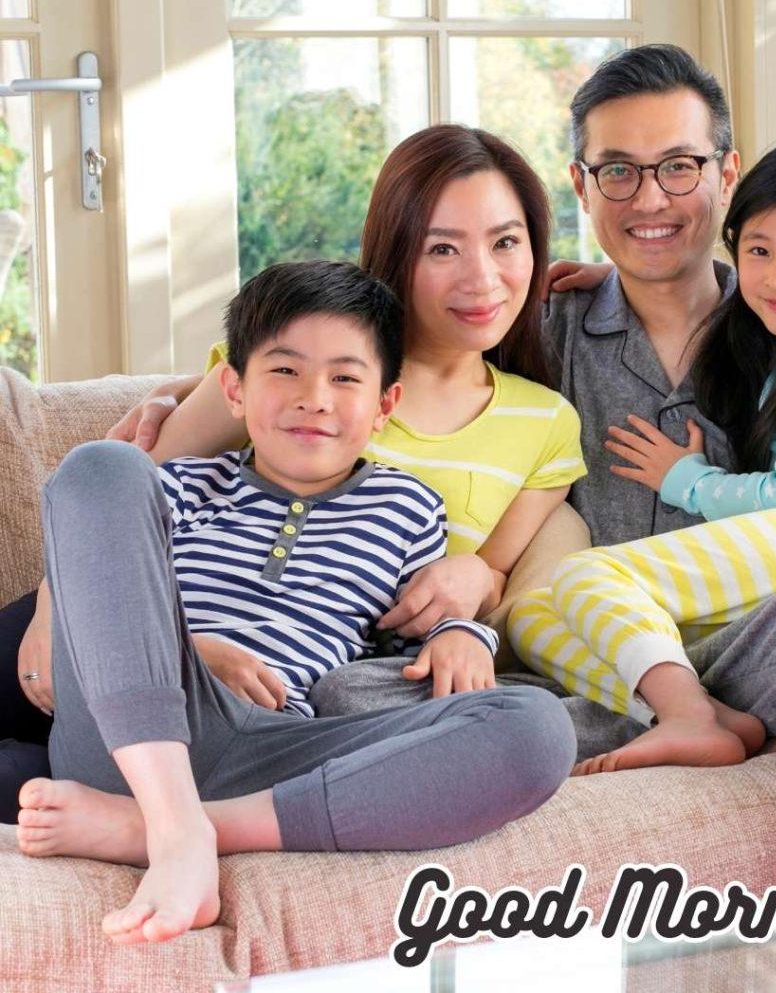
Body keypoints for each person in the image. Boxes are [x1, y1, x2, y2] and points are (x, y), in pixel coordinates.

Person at [40, 45, 776, 885]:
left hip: (738, 645)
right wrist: (163, 413)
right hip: (569, 667)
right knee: (381, 681)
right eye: (619, 171)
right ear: (583, 183)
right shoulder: (538, 321)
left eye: (679, 167)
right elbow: (290, 379)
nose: (650, 199)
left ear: (725, 173)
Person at [2, 125, 594, 816]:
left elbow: (496, 575)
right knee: (100, 476)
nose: (481, 278)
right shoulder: (307, 344)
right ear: (398, 252)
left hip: (286, 696)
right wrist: (59, 614)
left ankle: (142, 817)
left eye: (506, 242)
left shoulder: (543, 422)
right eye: (442, 247)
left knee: (527, 725)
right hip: (123, 635)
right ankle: (133, 801)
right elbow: (118, 509)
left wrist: (475, 586)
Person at [14, 258, 575, 945]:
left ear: (384, 406)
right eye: (284, 371)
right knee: (100, 466)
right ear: (234, 389)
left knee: (537, 726)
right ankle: (169, 812)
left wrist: (461, 633)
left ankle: (167, 827)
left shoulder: (408, 508)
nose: (315, 397)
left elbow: (405, 651)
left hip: (275, 747)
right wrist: (187, 651)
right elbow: (107, 587)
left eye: (345, 378)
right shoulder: (184, 485)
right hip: (130, 734)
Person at [510, 139, 776, 774]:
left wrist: (689, 480)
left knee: (583, 575)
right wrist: (618, 283)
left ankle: (686, 715)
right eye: (759, 251)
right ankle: (694, 705)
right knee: (531, 617)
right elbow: (728, 294)